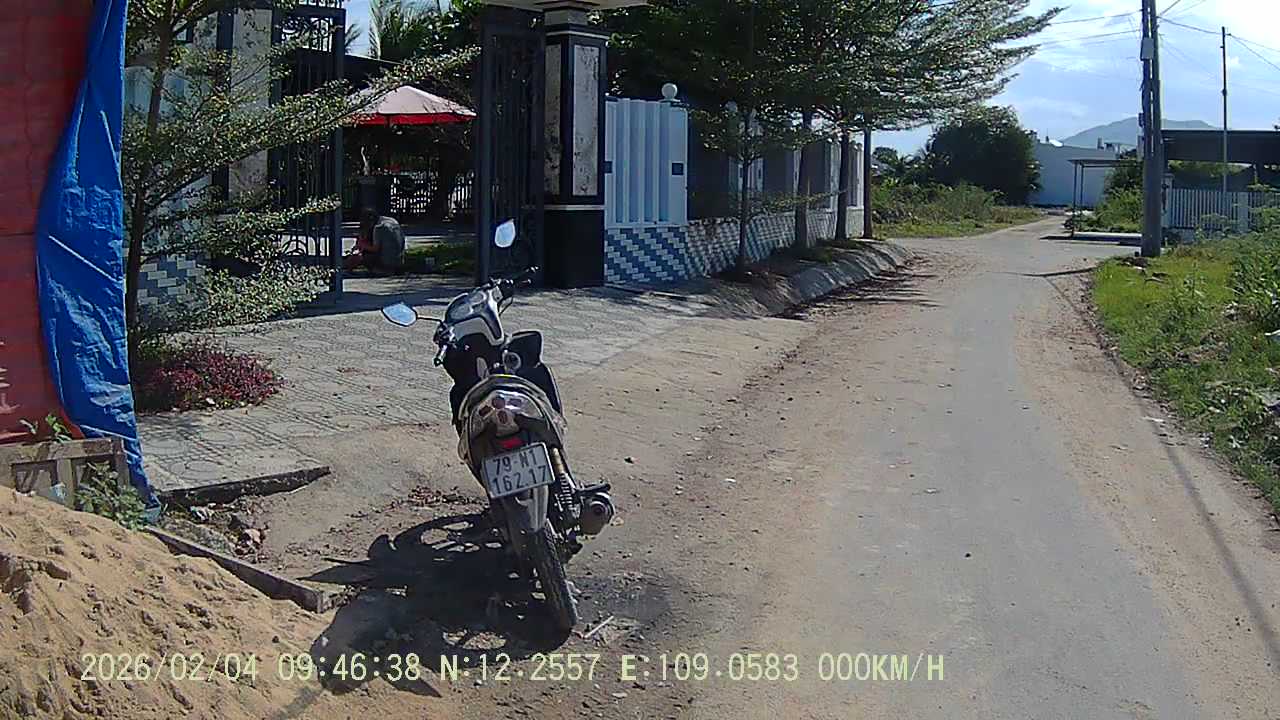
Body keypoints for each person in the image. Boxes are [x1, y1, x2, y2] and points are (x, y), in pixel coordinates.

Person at [345, 207, 405, 274]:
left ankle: (379, 270)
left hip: (387, 262)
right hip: (399, 261)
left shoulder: (379, 227)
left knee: (361, 256)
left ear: (370, 220)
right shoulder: (392, 221)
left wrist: (361, 245)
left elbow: (375, 249)